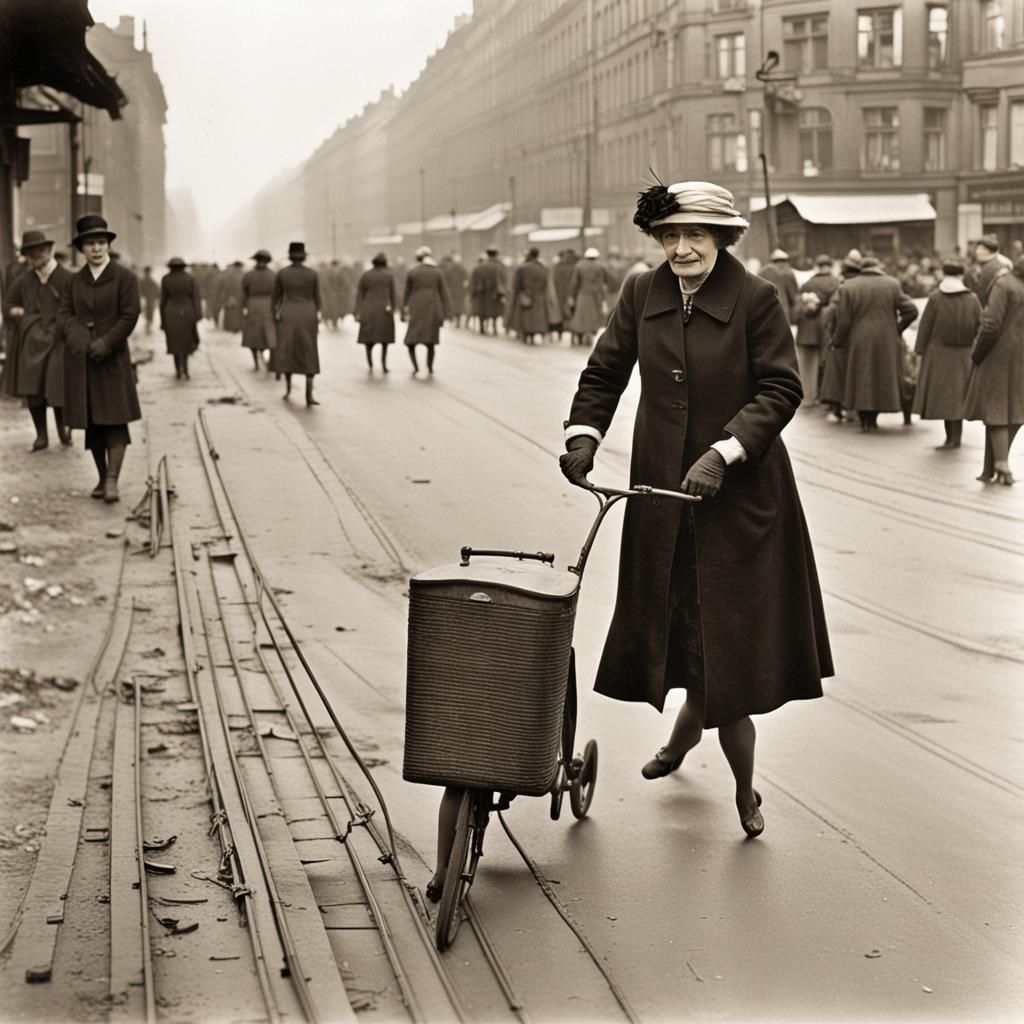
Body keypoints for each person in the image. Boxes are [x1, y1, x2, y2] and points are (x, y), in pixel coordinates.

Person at [557, 179, 832, 841]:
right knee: (680, 628)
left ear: (724, 240)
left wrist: (726, 450)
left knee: (727, 644)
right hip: (662, 495)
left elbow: (781, 388)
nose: (681, 248)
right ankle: (681, 744)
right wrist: (583, 434)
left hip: (741, 502)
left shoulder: (757, 299)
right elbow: (605, 370)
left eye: (695, 236)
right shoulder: (639, 293)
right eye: (670, 236)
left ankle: (744, 789)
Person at [57, 214, 141, 503]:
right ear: (82, 248)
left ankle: (113, 481)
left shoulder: (125, 277)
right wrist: (80, 340)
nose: (96, 249)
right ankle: (101, 476)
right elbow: (65, 315)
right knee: (92, 422)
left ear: (108, 245)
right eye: (90, 244)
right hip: (84, 360)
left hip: (112, 358)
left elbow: (130, 315)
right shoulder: (73, 281)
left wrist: (106, 342)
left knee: (115, 420)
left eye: (101, 243)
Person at [0, 229, 74, 450]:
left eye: (39, 254)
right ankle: (41, 435)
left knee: (58, 386)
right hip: (32, 343)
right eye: (30, 256)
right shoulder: (24, 280)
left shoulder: (67, 278)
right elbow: (7, 306)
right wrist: (20, 313)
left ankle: (63, 429)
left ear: (50, 251)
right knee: (33, 388)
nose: (34, 260)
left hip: (59, 340)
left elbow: (75, 310)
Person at [831, 256, 918, 432]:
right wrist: (897, 329)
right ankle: (875, 418)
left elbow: (844, 321)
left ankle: (865, 420)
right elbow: (911, 310)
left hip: (859, 338)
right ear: (878, 267)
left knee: (862, 377)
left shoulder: (849, 287)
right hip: (886, 339)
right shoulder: (892, 284)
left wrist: (837, 342)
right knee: (881, 378)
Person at [964, 256, 1024, 485]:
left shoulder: (1004, 284)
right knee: (1016, 411)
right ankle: (991, 467)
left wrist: (977, 353)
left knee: (996, 411)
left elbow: (990, 325)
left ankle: (1001, 464)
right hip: (1021, 355)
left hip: (998, 354)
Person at [912, 257, 982, 450]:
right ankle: (956, 438)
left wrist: (919, 351)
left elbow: (925, 327)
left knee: (944, 399)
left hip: (939, 354)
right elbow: (981, 328)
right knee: (958, 397)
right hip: (964, 355)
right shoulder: (972, 299)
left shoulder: (935, 298)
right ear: (961, 275)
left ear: (944, 274)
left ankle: (949, 438)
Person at [272, 242, 322, 406]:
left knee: (289, 349)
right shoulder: (312, 274)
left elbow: (276, 299)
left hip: (289, 313)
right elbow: (317, 298)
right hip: (308, 313)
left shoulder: (282, 274)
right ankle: (309, 394)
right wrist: (317, 314)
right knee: (309, 350)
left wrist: (276, 315)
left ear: (290, 256)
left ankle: (288, 389)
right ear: (304, 256)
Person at [794, 254, 840, 405]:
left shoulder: (807, 284)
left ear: (817, 266)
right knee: (826, 363)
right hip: (826, 330)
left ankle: (809, 396)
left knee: (808, 366)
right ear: (830, 266)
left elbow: (796, 310)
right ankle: (825, 397)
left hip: (806, 331)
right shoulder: (836, 283)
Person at [402, 246, 453, 374]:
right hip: (433, 307)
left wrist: (404, 311)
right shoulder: (437, 272)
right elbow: (444, 293)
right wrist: (448, 312)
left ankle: (416, 366)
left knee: (411, 341)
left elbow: (406, 294)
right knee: (431, 341)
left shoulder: (413, 272)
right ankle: (429, 367)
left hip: (416, 307)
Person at [159, 258, 202, 380]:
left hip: (171, 312)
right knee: (186, 340)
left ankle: (178, 369)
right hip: (187, 311)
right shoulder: (190, 279)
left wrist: (162, 321)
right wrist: (197, 315)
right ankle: (186, 369)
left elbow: (162, 302)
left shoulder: (166, 279)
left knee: (174, 341)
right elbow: (195, 298)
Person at [354, 253, 397, 372]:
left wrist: (357, 311)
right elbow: (393, 294)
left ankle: (370, 364)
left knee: (368, 340)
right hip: (384, 309)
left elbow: (360, 294)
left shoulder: (366, 275)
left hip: (368, 309)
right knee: (385, 340)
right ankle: (384, 364)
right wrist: (393, 308)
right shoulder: (389, 276)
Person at [566, 247, 609, 346]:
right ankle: (590, 335)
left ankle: (583, 335)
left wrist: (571, 296)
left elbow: (574, 283)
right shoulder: (600, 266)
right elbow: (605, 281)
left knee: (582, 317)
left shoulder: (579, 265)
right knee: (594, 317)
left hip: (583, 295)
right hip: (596, 295)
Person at [241, 250, 276, 370]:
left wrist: (244, 306)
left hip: (253, 305)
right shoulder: (273, 275)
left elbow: (244, 293)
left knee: (253, 336)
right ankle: (269, 360)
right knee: (269, 334)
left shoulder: (248, 275)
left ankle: (256, 362)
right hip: (268, 306)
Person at [507, 247, 551, 345]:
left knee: (526, 317)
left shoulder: (522, 268)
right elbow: (545, 283)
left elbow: (516, 284)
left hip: (525, 295)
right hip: (539, 297)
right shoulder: (543, 268)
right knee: (536, 318)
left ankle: (526, 335)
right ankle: (534, 334)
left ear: (530, 255)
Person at [469, 247, 506, 335]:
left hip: (482, 293)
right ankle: (494, 327)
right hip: (495, 293)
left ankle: (482, 327)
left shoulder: (479, 267)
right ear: (496, 254)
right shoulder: (499, 266)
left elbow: (474, 280)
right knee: (494, 311)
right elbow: (503, 280)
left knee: (482, 310)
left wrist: (473, 293)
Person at [759, 248, 799, 324]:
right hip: (782, 311)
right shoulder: (787, 272)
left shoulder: (763, 271)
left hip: (765, 310)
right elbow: (794, 296)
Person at [138, 266, 160, 335]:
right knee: (148, 314)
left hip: (149, 300)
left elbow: (157, 291)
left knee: (149, 314)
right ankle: (147, 327)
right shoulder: (143, 281)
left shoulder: (147, 281)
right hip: (146, 300)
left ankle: (148, 327)